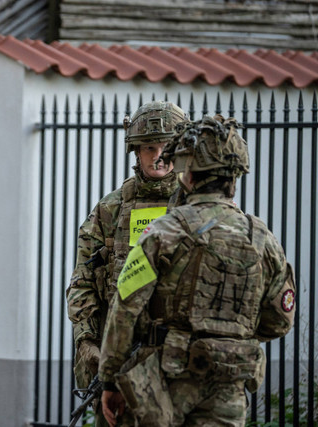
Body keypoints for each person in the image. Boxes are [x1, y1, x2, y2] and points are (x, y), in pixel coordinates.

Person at [99, 115, 295, 426]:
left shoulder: (162, 233)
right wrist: (229, 334)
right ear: (235, 174)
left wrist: (110, 379)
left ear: (187, 175)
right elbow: (279, 321)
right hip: (229, 384)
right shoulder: (262, 238)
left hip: (165, 383)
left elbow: (125, 309)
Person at [66, 100, 187, 425]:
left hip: (181, 363)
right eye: (149, 146)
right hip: (120, 361)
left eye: (166, 146)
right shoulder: (112, 209)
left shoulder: (195, 207)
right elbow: (82, 283)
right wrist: (88, 343)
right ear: (136, 150)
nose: (158, 155)